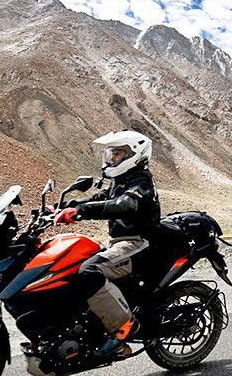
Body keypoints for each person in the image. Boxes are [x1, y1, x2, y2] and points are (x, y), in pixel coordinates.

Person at [53, 129, 161, 357]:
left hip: (137, 242)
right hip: (118, 241)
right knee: (69, 264)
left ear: (134, 154)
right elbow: (100, 199)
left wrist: (81, 211)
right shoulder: (120, 180)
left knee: (89, 271)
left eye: (118, 154)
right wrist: (66, 207)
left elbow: (125, 204)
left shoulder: (141, 180)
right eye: (111, 154)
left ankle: (123, 328)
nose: (112, 159)